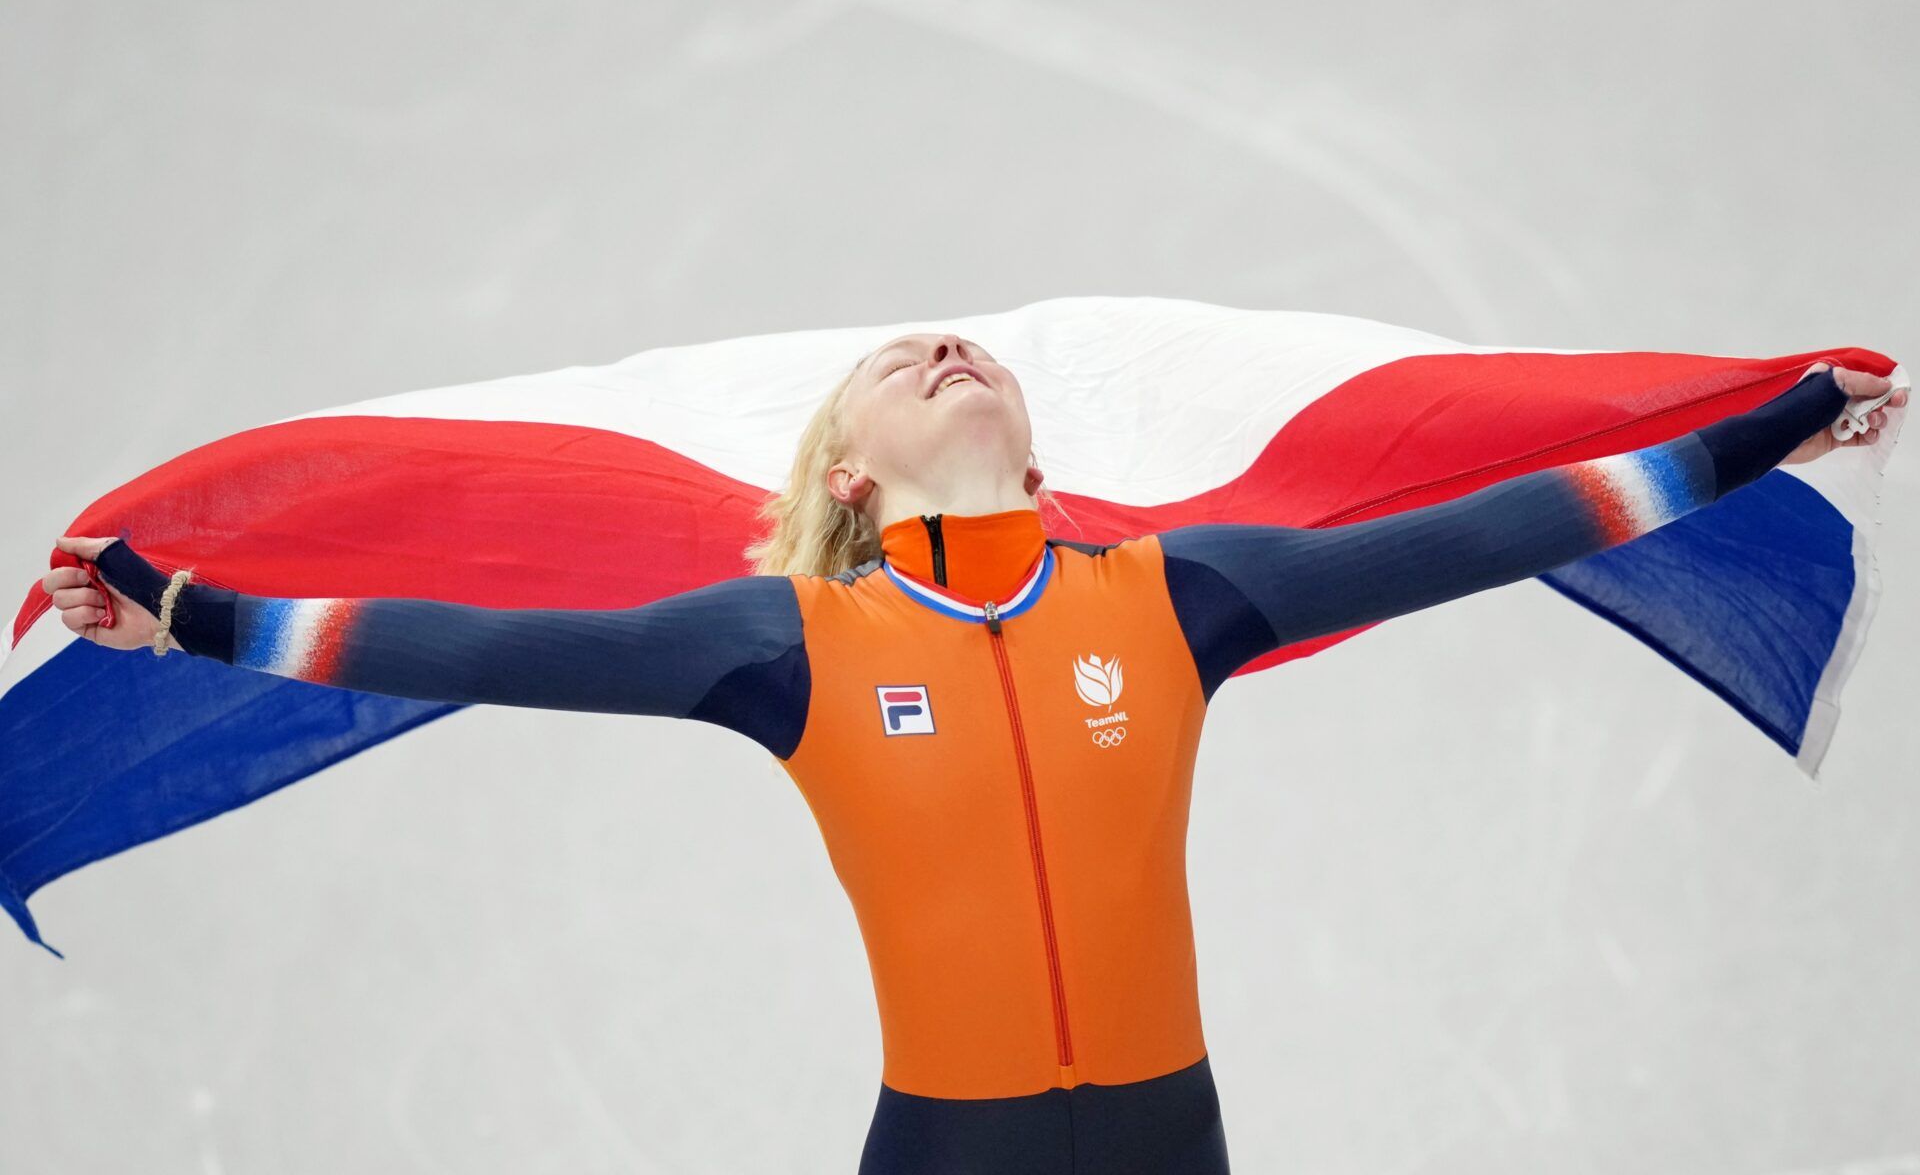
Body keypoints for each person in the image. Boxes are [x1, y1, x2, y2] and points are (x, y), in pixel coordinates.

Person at [43, 335, 1900, 1175]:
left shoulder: (1186, 592)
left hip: (1179, 1144)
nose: (942, 347)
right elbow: (477, 644)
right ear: (843, 474)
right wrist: (190, 615)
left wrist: (1769, 433)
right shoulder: (784, 644)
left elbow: (1506, 523)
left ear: (1026, 430)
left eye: (964, 351)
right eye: (891, 365)